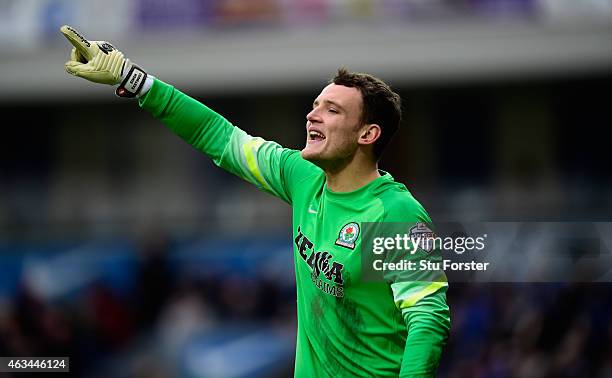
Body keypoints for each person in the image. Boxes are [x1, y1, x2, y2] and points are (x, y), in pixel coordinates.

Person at [60, 25, 450, 377]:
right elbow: (222, 137)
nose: (313, 116)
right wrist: (135, 80)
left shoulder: (395, 213)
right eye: (315, 105)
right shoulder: (303, 176)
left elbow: (427, 320)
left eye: (332, 110)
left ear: (367, 134)